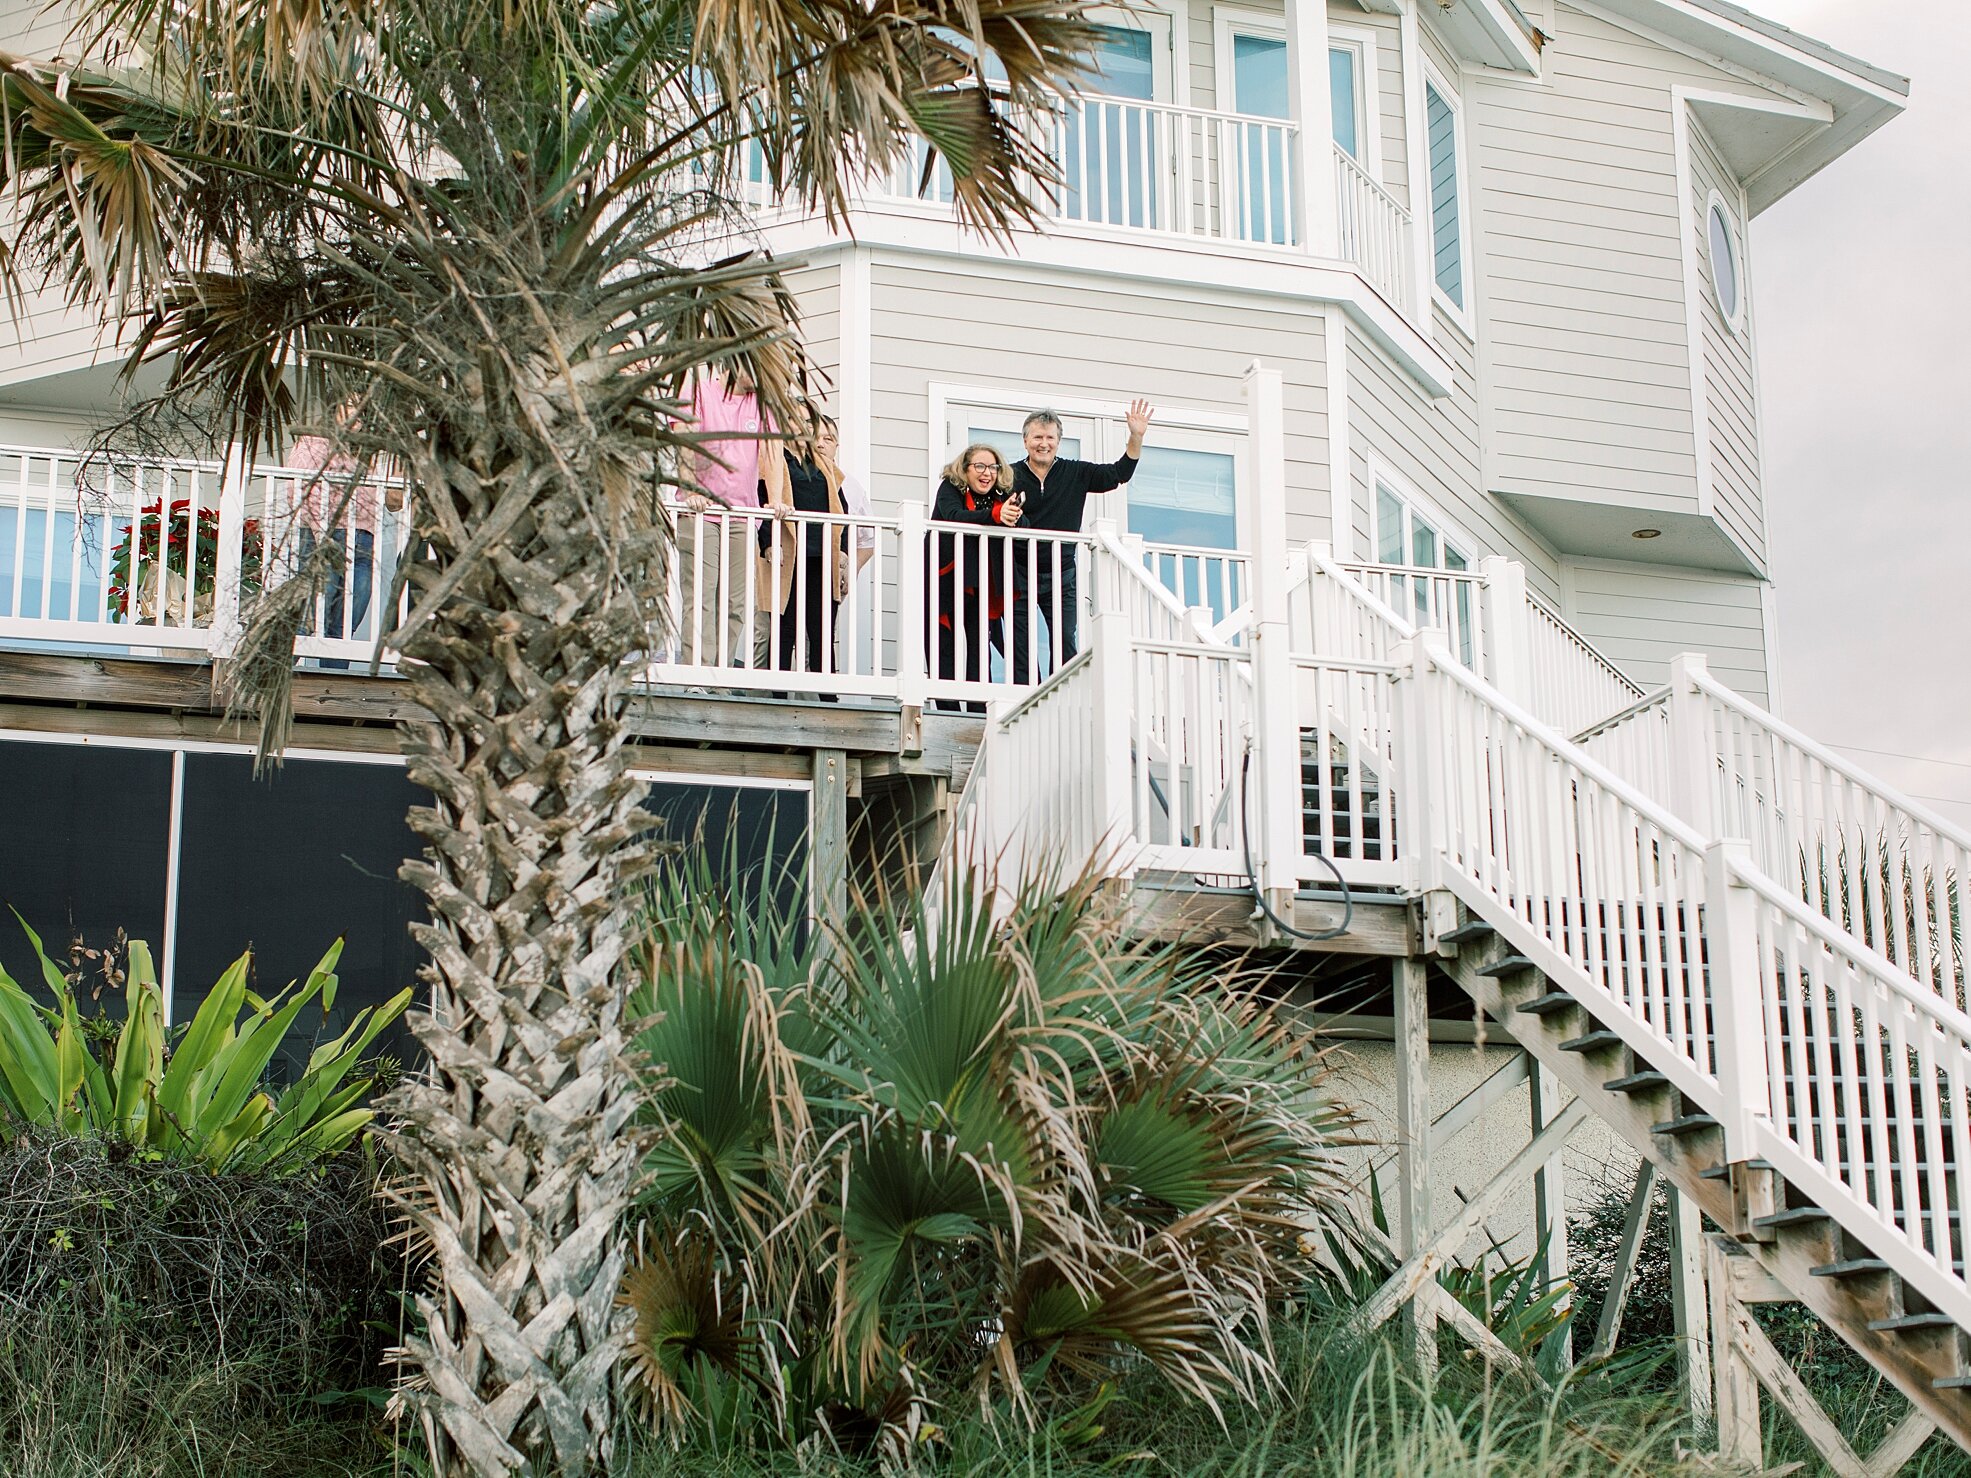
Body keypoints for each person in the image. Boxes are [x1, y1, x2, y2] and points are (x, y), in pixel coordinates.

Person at [1008, 398, 1154, 683]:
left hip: (1061, 572)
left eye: (1050, 437)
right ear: (1025, 441)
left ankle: (1060, 696)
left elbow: (1119, 473)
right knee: (1020, 641)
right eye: (1037, 437)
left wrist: (1135, 436)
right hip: (1018, 571)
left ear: (1058, 442)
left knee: (1064, 640)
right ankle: (1023, 698)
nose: (1044, 443)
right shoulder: (1009, 475)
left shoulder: (1075, 472)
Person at [284, 426, 403, 669]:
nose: (359, 417)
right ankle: (281, 677)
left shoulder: (375, 448)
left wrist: (398, 468)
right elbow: (298, 490)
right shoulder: (317, 440)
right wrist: (321, 534)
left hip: (363, 540)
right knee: (310, 615)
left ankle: (332, 681)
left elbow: (394, 503)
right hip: (323, 537)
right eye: (349, 405)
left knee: (346, 622)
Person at [677, 366, 767, 670]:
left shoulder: (762, 401)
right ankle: (696, 677)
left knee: (735, 603)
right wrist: (690, 490)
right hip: (700, 512)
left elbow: (774, 454)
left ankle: (721, 676)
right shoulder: (699, 390)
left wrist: (777, 501)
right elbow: (684, 441)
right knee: (701, 596)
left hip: (742, 515)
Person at [757, 410, 849, 697]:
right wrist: (769, 544)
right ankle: (779, 696)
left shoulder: (823, 465)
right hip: (789, 555)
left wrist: (843, 550)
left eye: (808, 423)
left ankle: (827, 698)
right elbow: (763, 504)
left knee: (822, 630)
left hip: (822, 557)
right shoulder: (775, 460)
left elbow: (841, 509)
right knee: (785, 628)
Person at [929, 443, 1025, 713]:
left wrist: (1013, 515)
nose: (987, 473)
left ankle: (978, 708)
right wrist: (996, 515)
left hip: (980, 580)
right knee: (943, 642)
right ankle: (946, 707)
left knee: (980, 644)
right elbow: (954, 516)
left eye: (993, 467)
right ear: (965, 469)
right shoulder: (950, 488)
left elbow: (1025, 524)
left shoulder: (1000, 495)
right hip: (945, 577)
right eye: (980, 467)